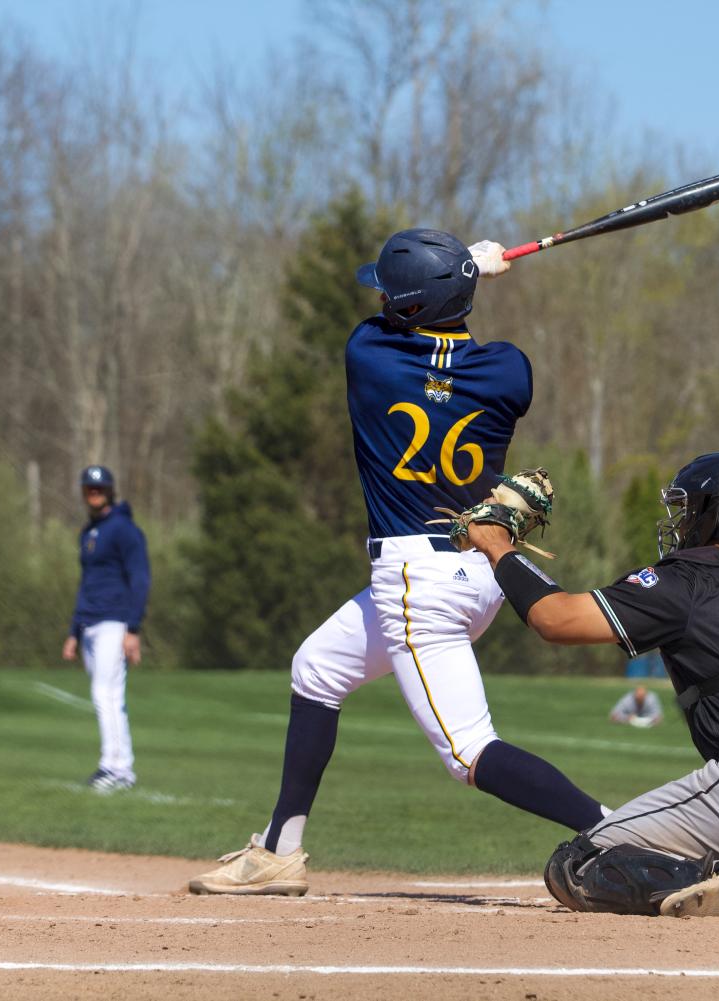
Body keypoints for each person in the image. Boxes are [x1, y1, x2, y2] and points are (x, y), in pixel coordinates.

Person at [189, 230, 606, 896]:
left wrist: (473, 270)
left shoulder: (368, 356)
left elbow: (394, 333)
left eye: (390, 291)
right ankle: (277, 849)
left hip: (417, 579)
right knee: (317, 667)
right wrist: (473, 276)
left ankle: (617, 831)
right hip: (481, 571)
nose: (380, 298)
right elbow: (458, 352)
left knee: (469, 752)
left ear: (411, 308)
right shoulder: (508, 370)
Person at [464, 451, 719, 918]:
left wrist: (499, 547)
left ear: (714, 513)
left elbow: (554, 619)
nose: (682, 521)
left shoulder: (685, 580)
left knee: (577, 863)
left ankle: (717, 874)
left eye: (689, 507)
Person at [62, 465, 150, 792]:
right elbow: (87, 584)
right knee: (106, 695)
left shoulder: (124, 530)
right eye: (88, 488)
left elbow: (140, 579)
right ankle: (115, 766)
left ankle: (117, 768)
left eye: (98, 488)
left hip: (115, 621)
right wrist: (74, 631)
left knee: (107, 694)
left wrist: (133, 628)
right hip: (90, 624)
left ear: (110, 491)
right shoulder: (89, 532)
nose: (93, 493)